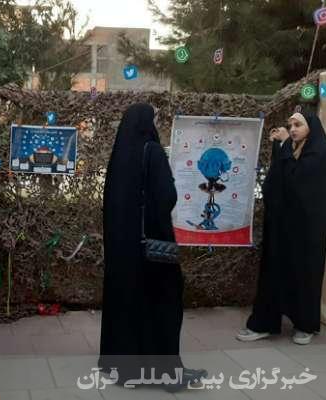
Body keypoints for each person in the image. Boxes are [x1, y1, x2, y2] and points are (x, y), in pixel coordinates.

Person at [98, 103, 206, 392]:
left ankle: (121, 368)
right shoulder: (153, 151)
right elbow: (167, 196)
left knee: (125, 304)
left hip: (122, 250)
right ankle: (166, 373)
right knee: (164, 303)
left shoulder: (119, 155)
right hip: (151, 249)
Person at [237, 113, 326, 345]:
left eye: (298, 125)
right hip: (282, 227)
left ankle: (305, 325)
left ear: (311, 128)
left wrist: (286, 143)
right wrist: (281, 147)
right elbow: (279, 180)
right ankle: (264, 323)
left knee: (304, 275)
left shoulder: (319, 153)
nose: (293, 129)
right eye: (291, 125)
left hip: (307, 231)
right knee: (273, 272)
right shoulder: (292, 149)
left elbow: (299, 183)